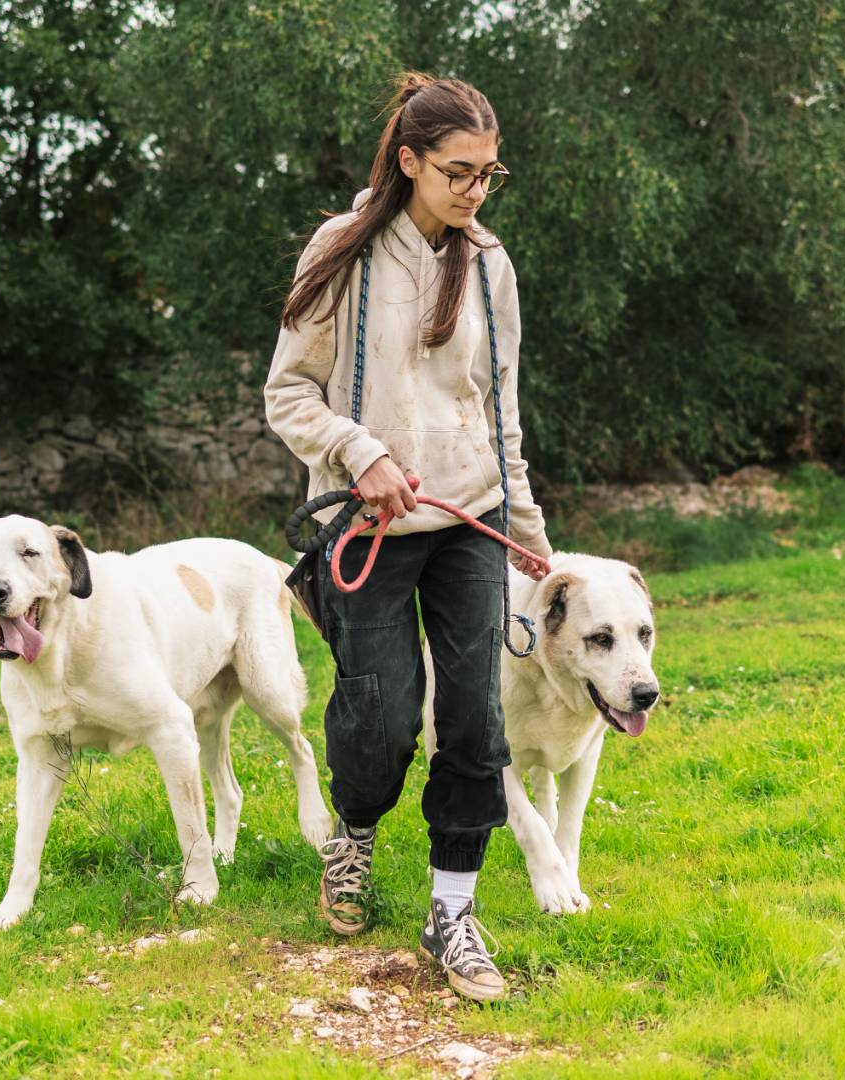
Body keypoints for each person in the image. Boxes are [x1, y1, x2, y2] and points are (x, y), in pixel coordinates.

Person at [263, 71, 551, 1003]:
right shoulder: (342, 251)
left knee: (475, 717)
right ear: (409, 162)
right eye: (458, 172)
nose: (474, 190)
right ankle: (353, 835)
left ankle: (452, 912)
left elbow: (499, 406)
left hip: (469, 515)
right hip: (368, 518)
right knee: (382, 717)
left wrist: (524, 526)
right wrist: (360, 452)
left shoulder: (491, 263)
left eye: (488, 174)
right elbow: (286, 394)